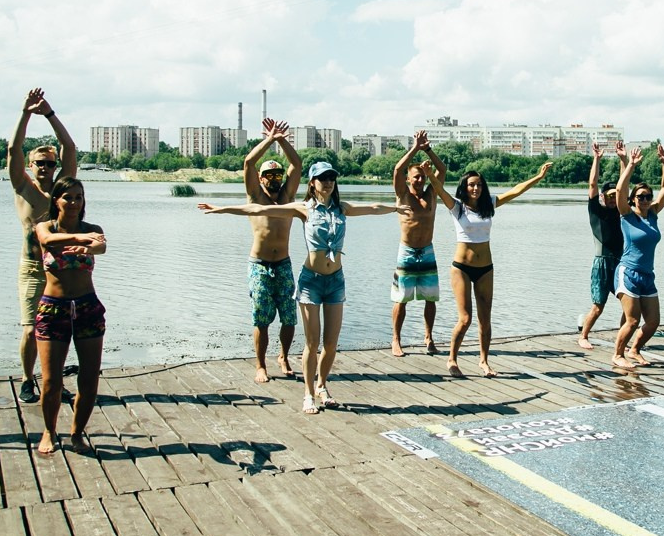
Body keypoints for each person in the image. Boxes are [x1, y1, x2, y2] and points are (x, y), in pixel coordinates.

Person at [200, 161, 408, 414]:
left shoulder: (342, 208)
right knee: (312, 343)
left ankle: (322, 386)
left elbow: (373, 207)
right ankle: (308, 394)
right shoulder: (304, 209)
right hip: (311, 281)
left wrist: (396, 208)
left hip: (336, 281)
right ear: (312, 183)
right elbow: (256, 209)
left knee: (331, 344)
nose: (328, 182)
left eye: (331, 178)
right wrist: (221, 209)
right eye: (322, 179)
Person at [436, 162, 552, 377]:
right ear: (465, 187)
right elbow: (440, 190)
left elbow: (516, 190)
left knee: (485, 319)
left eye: (479, 185)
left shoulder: (489, 204)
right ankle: (452, 359)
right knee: (465, 319)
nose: (475, 188)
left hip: (485, 269)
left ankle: (484, 361)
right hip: (461, 268)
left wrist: (538, 177)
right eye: (471, 185)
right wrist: (429, 175)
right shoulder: (457, 207)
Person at [9, 88, 78, 405]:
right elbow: (13, 149)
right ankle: (26, 379)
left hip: (59, 272)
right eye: (39, 163)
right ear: (31, 164)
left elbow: (70, 147)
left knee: (58, 331)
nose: (44, 168)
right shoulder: (22, 186)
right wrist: (25, 112)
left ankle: (53, 381)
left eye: (50, 164)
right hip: (32, 270)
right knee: (29, 331)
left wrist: (50, 114)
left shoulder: (63, 190)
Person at [33, 176, 107, 455]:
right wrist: (78, 238)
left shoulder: (93, 229)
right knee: (51, 380)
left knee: (89, 378)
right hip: (54, 308)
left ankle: (77, 433)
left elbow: (101, 245)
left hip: (87, 307)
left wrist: (89, 245)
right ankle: (49, 431)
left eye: (79, 197)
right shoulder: (46, 227)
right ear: (56, 200)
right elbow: (47, 240)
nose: (74, 202)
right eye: (68, 197)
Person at [241, 118, 303, 382]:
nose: (274, 179)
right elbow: (248, 163)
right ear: (260, 178)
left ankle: (284, 356)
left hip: (284, 265)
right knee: (262, 319)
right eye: (269, 175)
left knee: (289, 317)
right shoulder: (256, 197)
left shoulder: (287, 197)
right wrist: (268, 140)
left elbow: (297, 165)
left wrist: (282, 141)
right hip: (260, 265)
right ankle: (260, 365)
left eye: (278, 175)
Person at [610, 142, 664, 372]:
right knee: (632, 320)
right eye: (640, 196)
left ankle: (635, 349)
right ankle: (617, 354)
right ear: (633, 199)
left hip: (647, 275)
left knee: (653, 321)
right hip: (628, 272)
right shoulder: (626, 216)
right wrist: (630, 166)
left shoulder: (653, 215)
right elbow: (619, 191)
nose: (644, 200)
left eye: (647, 196)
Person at [391, 130, 446, 356]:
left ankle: (428, 337)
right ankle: (396, 340)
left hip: (427, 251)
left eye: (422, 176)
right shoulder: (403, 194)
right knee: (401, 298)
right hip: (407, 251)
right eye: (416, 177)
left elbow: (442, 170)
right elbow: (397, 169)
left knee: (430, 298)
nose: (420, 180)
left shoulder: (432, 193)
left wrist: (428, 151)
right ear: (408, 179)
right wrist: (414, 148)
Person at [577, 142, 624, 350]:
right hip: (602, 263)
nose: (614, 199)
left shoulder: (622, 211)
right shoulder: (596, 210)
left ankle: (623, 337)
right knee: (598, 306)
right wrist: (596, 159)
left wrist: (624, 160)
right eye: (610, 195)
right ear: (604, 197)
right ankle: (583, 336)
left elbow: (625, 185)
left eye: (616, 195)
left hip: (621, 261)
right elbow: (592, 185)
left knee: (630, 304)